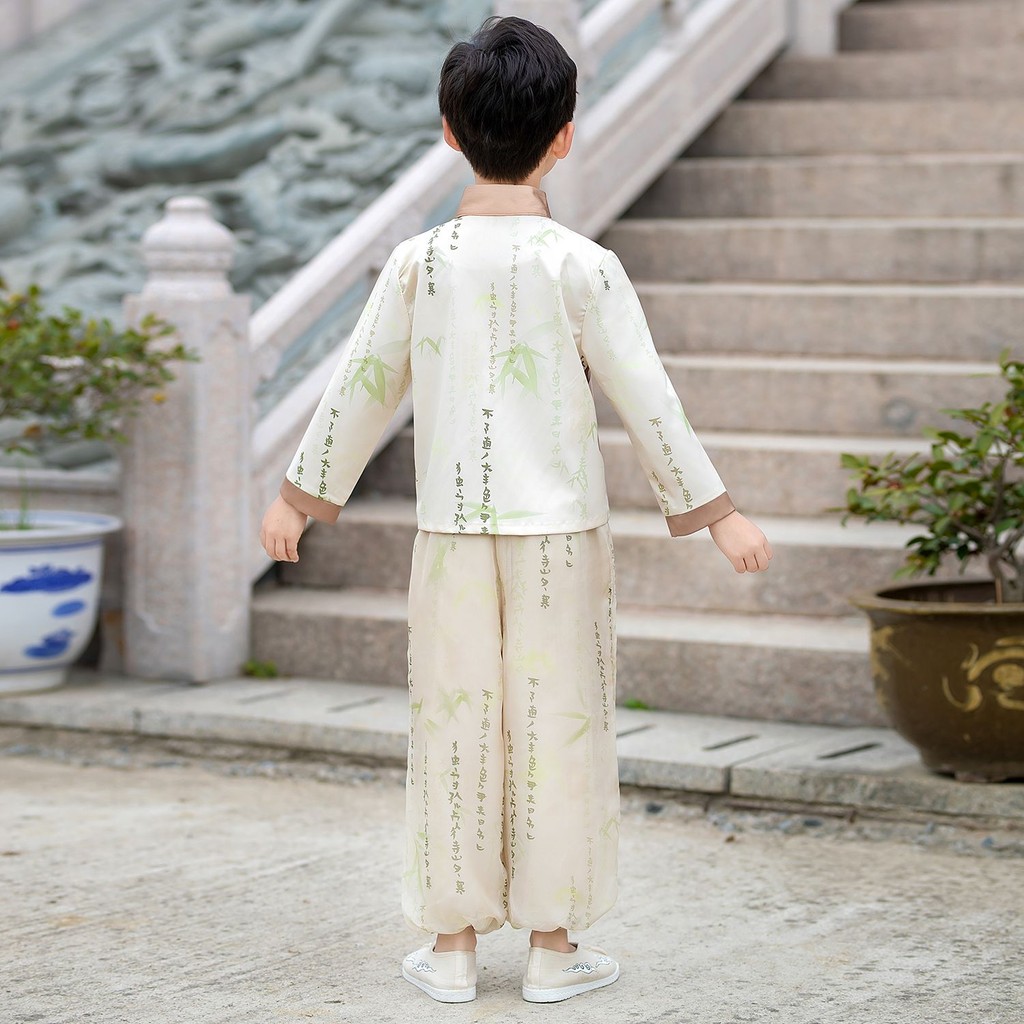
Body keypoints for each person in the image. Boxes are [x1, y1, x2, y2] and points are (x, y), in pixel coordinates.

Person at [259, 14, 772, 1005]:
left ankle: (451, 947)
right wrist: (717, 514)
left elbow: (361, 384)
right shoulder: (584, 264)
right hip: (561, 541)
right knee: (560, 730)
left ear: (449, 131)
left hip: (451, 538)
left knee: (450, 726)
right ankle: (552, 947)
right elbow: (647, 396)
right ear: (565, 135)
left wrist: (298, 495)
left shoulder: (419, 263)